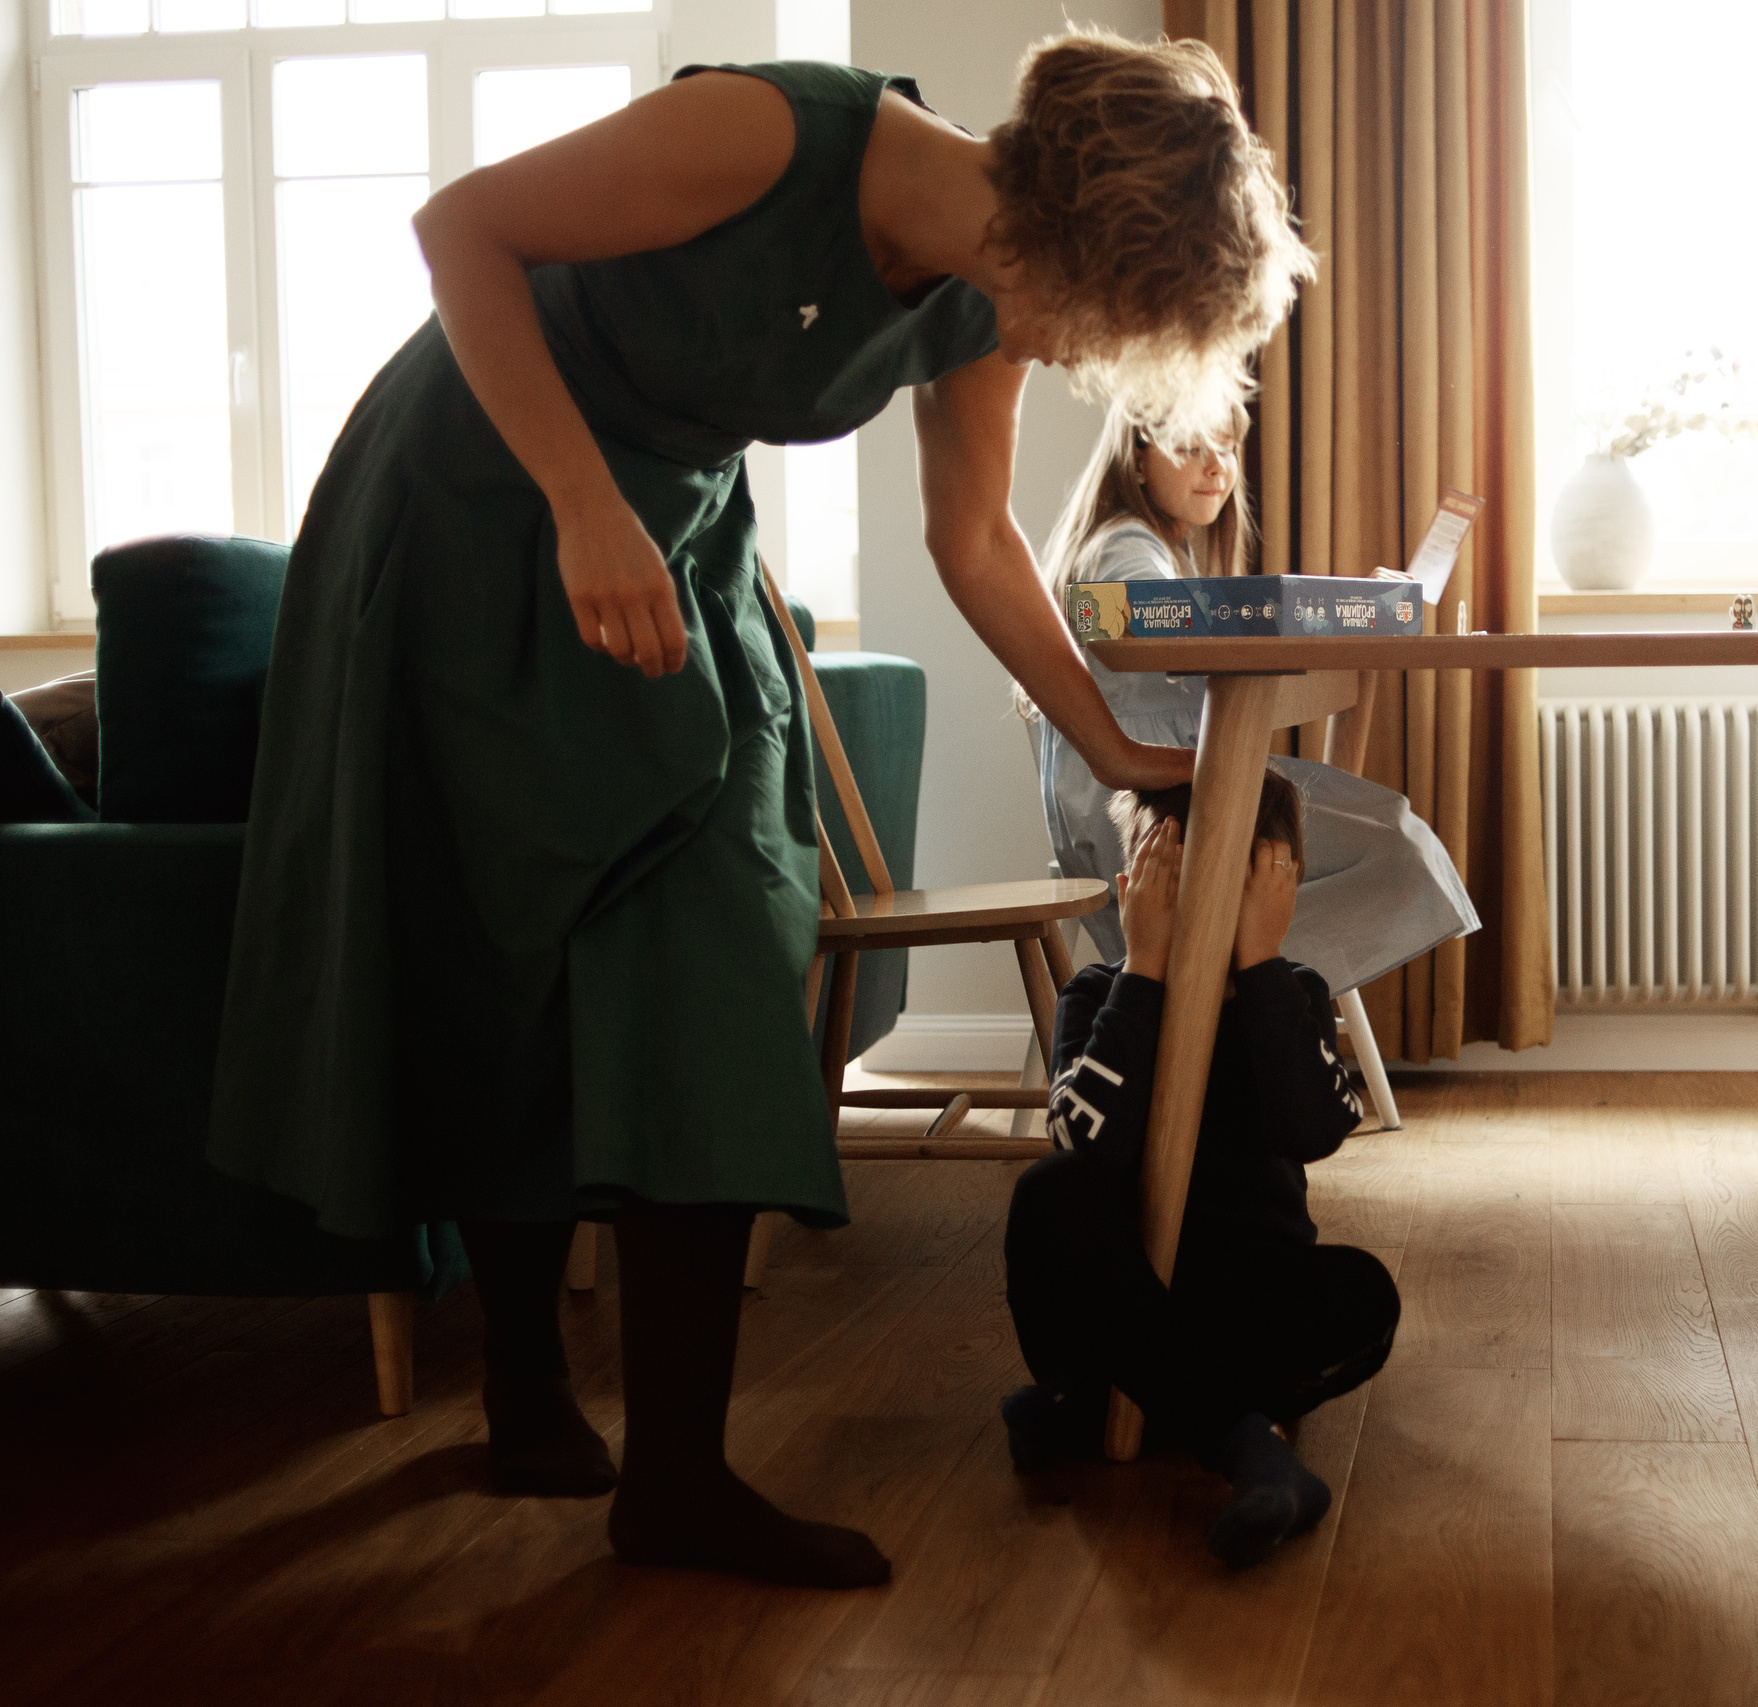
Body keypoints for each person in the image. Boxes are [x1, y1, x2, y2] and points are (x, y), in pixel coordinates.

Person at [206, 33, 1313, 1591]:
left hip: (668, 531)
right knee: (493, 927)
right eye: (1109, 318)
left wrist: (1122, 750)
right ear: (1064, 229)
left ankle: (675, 1475)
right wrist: (583, 505)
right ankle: (520, 1368)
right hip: (474, 489)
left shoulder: (982, 303)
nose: (1085, 357)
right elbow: (463, 230)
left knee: (731, 933)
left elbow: (978, 539)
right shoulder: (770, 134)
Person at [1001, 771, 1400, 1568]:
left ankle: (1115, 1410)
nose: (1203, 912)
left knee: (1366, 1294)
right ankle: (1247, 1444)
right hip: (1125, 1296)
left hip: (1244, 1297)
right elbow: (1086, 1143)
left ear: (1275, 889)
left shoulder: (1293, 993)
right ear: (1133, 887)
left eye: (1232, 887)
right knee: (1049, 1193)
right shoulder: (1097, 995)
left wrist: (1260, 963)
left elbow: (1317, 1127)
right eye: (1171, 883)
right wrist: (1145, 970)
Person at [1024, 405, 1479, 998]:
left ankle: (1230, 986)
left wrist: (1347, 612)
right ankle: (1237, 988)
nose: (1216, 467)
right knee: (1394, 840)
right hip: (1136, 808)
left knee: (1390, 828)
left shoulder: (1160, 547)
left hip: (1159, 789)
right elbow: (1159, 614)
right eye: (1190, 449)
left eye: (1227, 449)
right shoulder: (1126, 547)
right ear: (1137, 458)